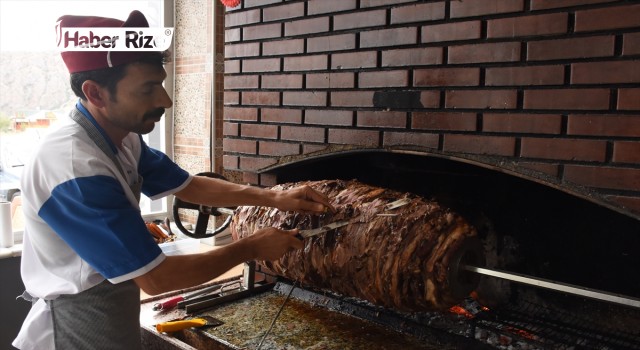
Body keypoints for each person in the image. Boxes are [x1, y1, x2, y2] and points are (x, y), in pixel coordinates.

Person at [13, 10, 333, 350]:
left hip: (112, 308)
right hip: (71, 327)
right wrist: (252, 247)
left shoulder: (123, 138)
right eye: (148, 88)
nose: (164, 100)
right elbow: (156, 277)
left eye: (161, 83)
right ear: (96, 94)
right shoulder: (75, 169)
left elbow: (189, 185)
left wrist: (275, 198)